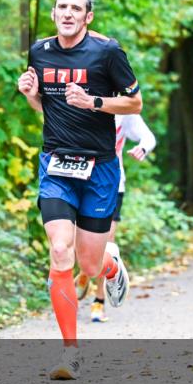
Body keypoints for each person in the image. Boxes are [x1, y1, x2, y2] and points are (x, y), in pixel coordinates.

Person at [17, 0, 142, 380]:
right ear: (54, 13)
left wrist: (95, 102)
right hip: (56, 164)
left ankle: (110, 264)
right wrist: (30, 95)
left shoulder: (107, 51)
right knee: (59, 250)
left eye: (76, 8)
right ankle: (70, 351)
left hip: (100, 169)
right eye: (61, 7)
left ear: (88, 17)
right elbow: (46, 106)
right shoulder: (39, 51)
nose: (68, 13)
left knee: (89, 263)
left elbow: (135, 102)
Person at [74, 113, 156, 324]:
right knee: (78, 241)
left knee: (105, 243)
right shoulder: (78, 98)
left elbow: (148, 137)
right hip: (80, 180)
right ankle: (85, 271)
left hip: (112, 183)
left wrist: (143, 148)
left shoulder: (123, 109)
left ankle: (98, 301)